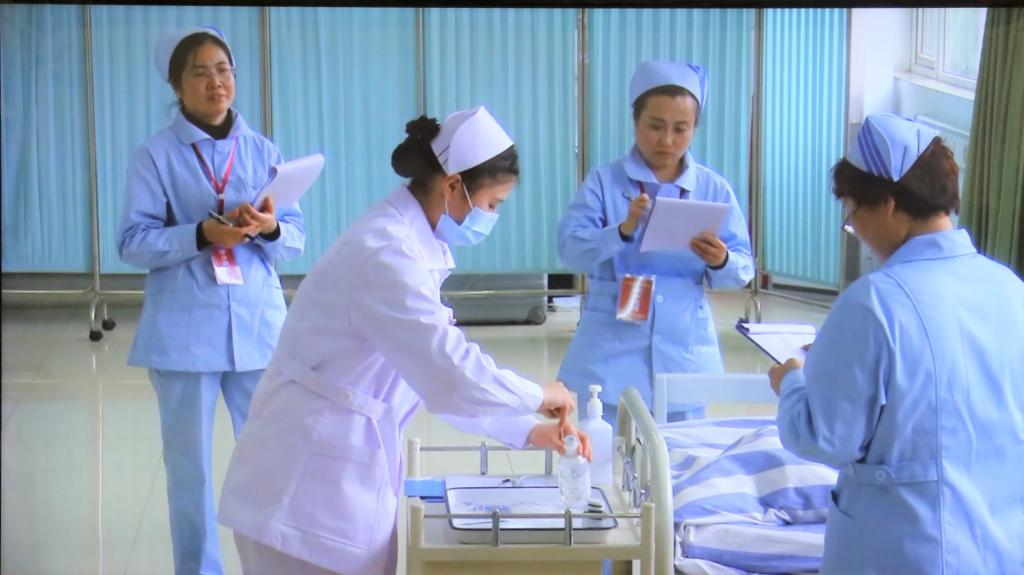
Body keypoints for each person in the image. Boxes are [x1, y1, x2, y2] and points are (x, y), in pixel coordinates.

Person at [217, 106, 589, 575]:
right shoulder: (386, 253)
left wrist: (527, 429)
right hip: (301, 490)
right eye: (492, 205)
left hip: (330, 477)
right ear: (453, 185)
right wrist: (537, 394)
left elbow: (428, 375)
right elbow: (450, 370)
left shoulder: (409, 245)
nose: (490, 218)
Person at [768, 113, 1024, 574]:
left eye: (852, 213)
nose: (856, 230)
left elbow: (826, 438)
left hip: (906, 551)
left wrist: (791, 383)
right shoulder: (1010, 288)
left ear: (886, 204)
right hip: (1001, 548)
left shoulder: (874, 302)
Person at [117, 26, 304, 575]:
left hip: (257, 328)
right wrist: (200, 234)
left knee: (269, 462)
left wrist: (268, 228)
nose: (215, 81)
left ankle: (273, 565)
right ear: (177, 85)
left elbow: (294, 237)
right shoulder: (154, 157)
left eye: (223, 69)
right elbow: (133, 242)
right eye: (199, 72)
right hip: (184, 334)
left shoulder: (263, 151)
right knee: (191, 471)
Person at [557, 60, 754, 426]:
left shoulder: (713, 188)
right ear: (636, 122)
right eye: (655, 126)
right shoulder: (604, 182)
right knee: (603, 447)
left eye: (681, 129)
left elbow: (743, 269)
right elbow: (570, 250)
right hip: (610, 351)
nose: (667, 140)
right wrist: (621, 231)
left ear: (694, 128)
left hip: (684, 351)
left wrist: (721, 260)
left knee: (679, 455)